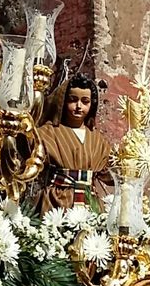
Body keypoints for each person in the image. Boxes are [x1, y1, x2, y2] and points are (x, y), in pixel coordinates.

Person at [35, 74, 114, 212]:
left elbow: (110, 174)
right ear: (63, 102)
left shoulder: (98, 140)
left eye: (85, 102)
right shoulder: (48, 133)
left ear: (92, 105)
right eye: (73, 100)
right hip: (57, 201)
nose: (79, 106)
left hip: (89, 203)